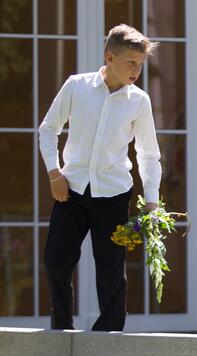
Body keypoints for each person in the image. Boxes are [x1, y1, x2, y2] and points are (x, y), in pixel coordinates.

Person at [39, 24, 162, 331]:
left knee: (110, 273)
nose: (136, 71)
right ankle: (62, 330)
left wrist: (152, 202)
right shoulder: (76, 86)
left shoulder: (139, 101)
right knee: (56, 260)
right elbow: (47, 129)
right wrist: (55, 173)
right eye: (130, 63)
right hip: (71, 190)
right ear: (110, 56)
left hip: (114, 194)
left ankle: (107, 338)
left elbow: (148, 154)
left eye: (140, 65)